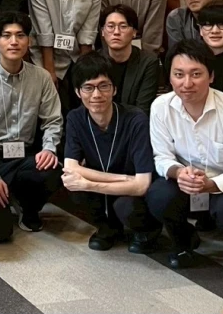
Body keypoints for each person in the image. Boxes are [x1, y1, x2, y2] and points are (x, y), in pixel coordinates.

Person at [147, 40, 223, 275]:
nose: (187, 83)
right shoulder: (160, 107)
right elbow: (161, 156)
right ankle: (183, 243)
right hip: (186, 181)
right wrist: (179, 173)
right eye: (179, 74)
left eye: (196, 74)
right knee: (158, 196)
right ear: (169, 77)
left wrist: (212, 184)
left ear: (211, 76)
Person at [0, 12, 62, 240]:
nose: (14, 41)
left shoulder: (41, 77)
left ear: (28, 40)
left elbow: (53, 120)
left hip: (24, 157)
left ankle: (27, 206)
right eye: (7, 36)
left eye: (20, 35)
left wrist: (49, 148)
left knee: (52, 169)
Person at [60, 52, 160, 253]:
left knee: (126, 206)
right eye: (88, 87)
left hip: (132, 195)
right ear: (78, 92)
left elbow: (141, 185)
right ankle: (107, 229)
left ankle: (147, 232)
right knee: (73, 184)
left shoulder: (135, 119)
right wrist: (122, 178)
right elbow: (71, 168)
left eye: (103, 86)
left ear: (114, 89)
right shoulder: (75, 118)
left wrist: (90, 183)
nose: (96, 95)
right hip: (122, 181)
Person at [98, 4, 160, 115]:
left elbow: (143, 108)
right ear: (102, 31)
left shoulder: (148, 62)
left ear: (134, 32)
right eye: (110, 26)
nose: (116, 32)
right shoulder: (93, 62)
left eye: (123, 26)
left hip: (135, 122)